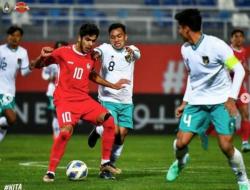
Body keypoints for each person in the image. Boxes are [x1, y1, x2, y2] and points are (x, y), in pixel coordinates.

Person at [30, 23, 130, 182]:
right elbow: (35, 66)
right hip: (65, 100)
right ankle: (50, 172)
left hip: (83, 100)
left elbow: (91, 75)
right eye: (88, 40)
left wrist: (113, 85)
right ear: (79, 38)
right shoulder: (63, 52)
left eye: (93, 41)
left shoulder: (91, 56)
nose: (90, 44)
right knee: (65, 132)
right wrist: (41, 57)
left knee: (109, 121)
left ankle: (105, 164)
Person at [166, 9, 250, 190]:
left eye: (180, 28)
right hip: (196, 103)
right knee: (180, 143)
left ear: (187, 29)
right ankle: (181, 162)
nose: (178, 31)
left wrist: (230, 98)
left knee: (226, 146)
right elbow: (192, 77)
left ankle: (242, 179)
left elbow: (240, 71)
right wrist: (185, 102)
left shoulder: (217, 46)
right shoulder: (185, 49)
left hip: (220, 102)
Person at [87, 23, 141, 178]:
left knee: (121, 135)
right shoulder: (105, 48)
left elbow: (136, 54)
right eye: (113, 37)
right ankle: (105, 169)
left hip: (126, 101)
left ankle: (99, 133)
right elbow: (96, 51)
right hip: (108, 98)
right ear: (109, 38)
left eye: (119, 36)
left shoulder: (133, 49)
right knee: (114, 131)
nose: (116, 39)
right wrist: (95, 54)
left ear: (125, 37)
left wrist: (132, 51)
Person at [200, 29, 250, 152]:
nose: (238, 39)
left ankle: (245, 142)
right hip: (227, 89)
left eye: (240, 36)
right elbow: (224, 68)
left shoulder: (244, 51)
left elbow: (243, 68)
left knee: (246, 114)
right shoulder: (227, 51)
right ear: (231, 39)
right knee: (220, 116)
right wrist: (236, 69)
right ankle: (205, 131)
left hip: (241, 89)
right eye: (236, 36)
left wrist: (246, 70)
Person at [0, 25, 31, 142]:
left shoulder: (23, 52)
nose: (14, 38)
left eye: (17, 36)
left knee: (11, 120)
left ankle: (2, 122)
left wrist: (31, 67)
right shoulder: (1, 50)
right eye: (12, 35)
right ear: (8, 37)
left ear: (21, 38)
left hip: (9, 92)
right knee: (10, 119)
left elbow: (24, 72)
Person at [41, 41, 68, 140]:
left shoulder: (69, 61)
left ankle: (60, 133)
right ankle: (57, 135)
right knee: (56, 113)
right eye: (58, 48)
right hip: (53, 90)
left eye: (63, 48)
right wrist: (49, 77)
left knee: (62, 114)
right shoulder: (51, 61)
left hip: (66, 91)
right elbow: (44, 74)